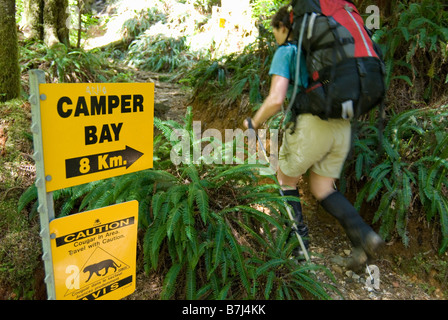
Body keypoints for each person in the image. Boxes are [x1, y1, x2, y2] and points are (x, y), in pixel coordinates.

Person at [243, 6, 384, 269]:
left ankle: (299, 253)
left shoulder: (287, 51)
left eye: (276, 32)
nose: (276, 37)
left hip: (312, 126)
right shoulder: (327, 54)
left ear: (283, 28)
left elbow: (276, 99)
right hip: (342, 126)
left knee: (285, 180)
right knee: (322, 189)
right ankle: (364, 237)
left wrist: (254, 121)